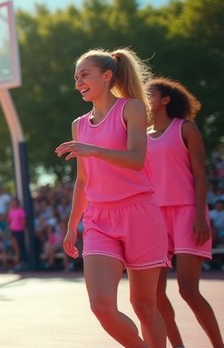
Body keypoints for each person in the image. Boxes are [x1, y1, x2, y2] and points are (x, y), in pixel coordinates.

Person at [56, 48, 169, 348]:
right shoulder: (79, 124)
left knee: (145, 306)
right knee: (101, 306)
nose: (78, 81)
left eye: (84, 75)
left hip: (139, 214)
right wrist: (72, 226)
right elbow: (82, 180)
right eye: (76, 77)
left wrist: (93, 150)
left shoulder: (130, 108)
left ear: (107, 76)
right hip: (99, 220)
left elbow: (135, 159)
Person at [146, 77, 223, 348]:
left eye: (150, 93)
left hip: (187, 212)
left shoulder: (186, 128)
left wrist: (201, 216)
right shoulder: (140, 137)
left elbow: (201, 175)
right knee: (154, 295)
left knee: (188, 289)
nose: (145, 98)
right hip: (154, 216)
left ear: (166, 99)